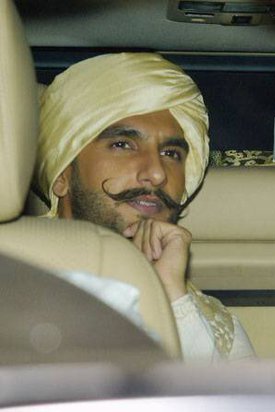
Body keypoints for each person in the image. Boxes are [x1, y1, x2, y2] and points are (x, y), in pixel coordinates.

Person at [35, 52, 254, 362]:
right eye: (123, 145)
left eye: (171, 153)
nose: (157, 173)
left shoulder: (216, 328)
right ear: (62, 175)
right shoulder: (14, 294)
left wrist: (169, 301)